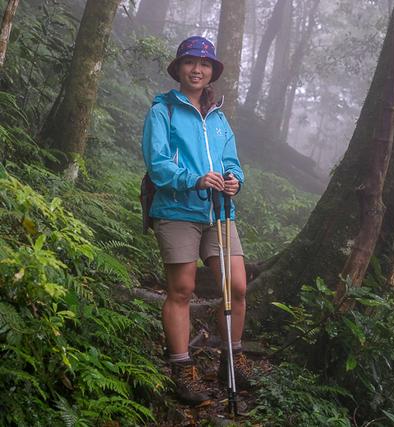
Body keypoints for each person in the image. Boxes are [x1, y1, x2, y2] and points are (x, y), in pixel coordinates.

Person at [141, 36, 252, 406]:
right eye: (190, 62)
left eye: (204, 64)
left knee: (236, 286)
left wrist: (235, 180)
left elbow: (231, 161)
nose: (197, 69)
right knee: (182, 290)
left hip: (219, 211)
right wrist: (194, 178)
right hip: (176, 211)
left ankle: (232, 361)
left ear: (212, 72)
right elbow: (157, 163)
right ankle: (182, 368)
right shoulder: (163, 111)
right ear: (179, 68)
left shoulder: (219, 117)